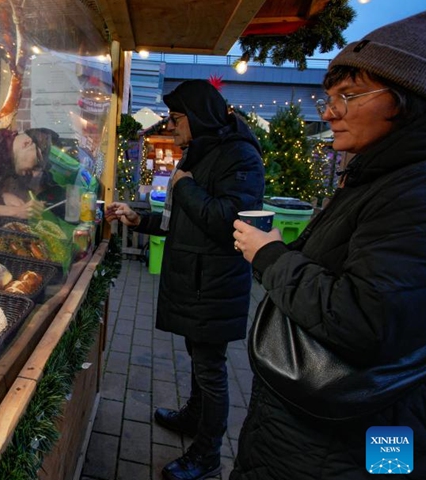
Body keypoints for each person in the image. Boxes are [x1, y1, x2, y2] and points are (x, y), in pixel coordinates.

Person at [231, 12, 426, 479]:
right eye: (330, 96)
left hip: (353, 437)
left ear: (407, 103)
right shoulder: (377, 176)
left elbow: (364, 318)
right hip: (313, 429)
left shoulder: (412, 194)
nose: (329, 111)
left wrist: (270, 256)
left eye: (349, 96)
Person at [106, 79, 265, 480]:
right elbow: (183, 221)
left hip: (215, 283)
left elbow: (226, 220)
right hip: (195, 281)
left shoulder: (241, 157)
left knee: (211, 369)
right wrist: (138, 217)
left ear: (199, 116)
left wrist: (187, 185)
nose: (172, 127)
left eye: (177, 119)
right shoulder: (200, 150)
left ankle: (208, 455)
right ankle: (195, 416)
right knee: (199, 359)